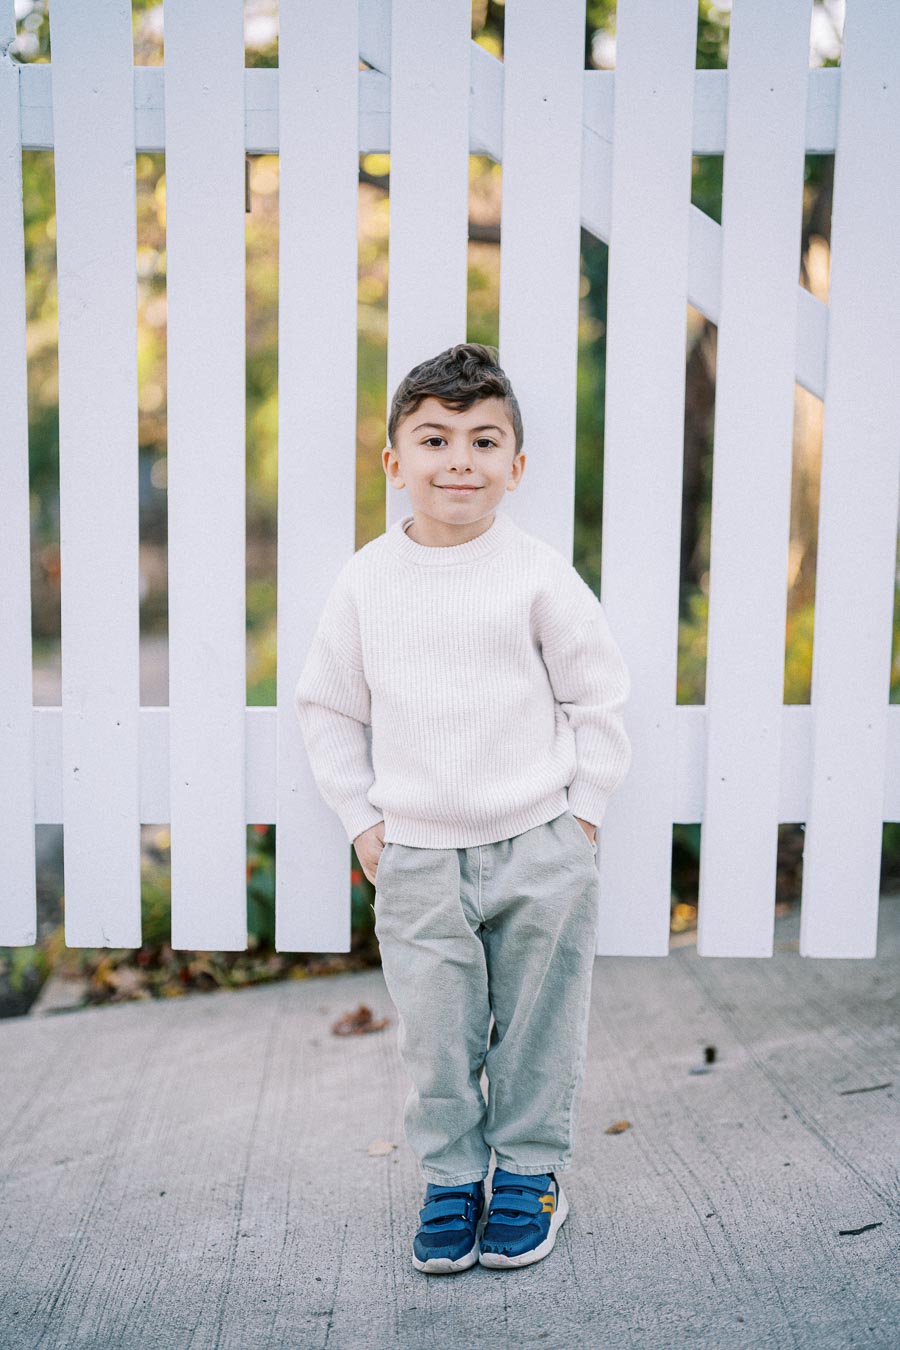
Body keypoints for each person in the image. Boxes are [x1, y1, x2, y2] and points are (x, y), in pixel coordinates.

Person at [294, 342, 632, 1274]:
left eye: (485, 441)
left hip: (537, 843)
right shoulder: (368, 579)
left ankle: (529, 1173)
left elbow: (596, 696)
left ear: (515, 467)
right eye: (435, 439)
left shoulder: (536, 573)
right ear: (395, 460)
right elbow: (327, 707)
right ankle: (451, 1177)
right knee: (437, 1034)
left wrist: (585, 813)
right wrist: (365, 821)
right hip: (417, 855)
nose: (460, 460)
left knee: (538, 1024)